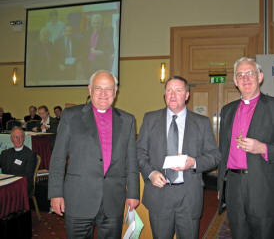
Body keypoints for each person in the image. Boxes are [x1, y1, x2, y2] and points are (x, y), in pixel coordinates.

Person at [48, 71, 139, 238]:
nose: (103, 94)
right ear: (89, 89)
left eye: (109, 89)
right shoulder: (71, 116)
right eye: (98, 88)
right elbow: (58, 157)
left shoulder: (128, 120)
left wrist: (133, 193)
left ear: (116, 91)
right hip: (78, 197)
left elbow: (131, 161)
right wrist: (55, 193)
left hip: (113, 199)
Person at [217, 57, 274, 239]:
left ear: (260, 77)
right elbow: (223, 150)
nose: (245, 78)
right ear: (235, 82)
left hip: (263, 187)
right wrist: (222, 187)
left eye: (250, 73)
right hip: (234, 186)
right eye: (240, 75)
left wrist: (263, 148)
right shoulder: (227, 110)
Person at [137, 76, 221, 239]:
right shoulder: (150, 119)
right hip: (159, 193)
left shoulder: (201, 122)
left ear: (187, 95)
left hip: (188, 195)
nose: (173, 95)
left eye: (178, 90)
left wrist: (194, 162)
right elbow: (139, 151)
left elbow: (215, 156)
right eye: (169, 90)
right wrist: (150, 173)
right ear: (164, 94)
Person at [0, 127, 37, 196]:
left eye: (21, 137)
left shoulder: (30, 155)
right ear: (11, 139)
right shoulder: (5, 153)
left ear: (24, 139)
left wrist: (11, 182)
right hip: (6, 183)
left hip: (21, 185)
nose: (19, 140)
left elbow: (28, 176)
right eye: (16, 137)